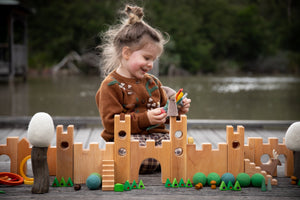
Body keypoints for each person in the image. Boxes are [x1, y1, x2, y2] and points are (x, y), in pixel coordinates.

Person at [95, 5, 191, 173]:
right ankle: (157, 160)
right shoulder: (110, 86)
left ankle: (162, 158)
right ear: (126, 53)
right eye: (146, 57)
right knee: (144, 156)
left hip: (157, 138)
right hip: (126, 140)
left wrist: (178, 110)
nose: (150, 64)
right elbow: (111, 124)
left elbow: (166, 117)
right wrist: (145, 118)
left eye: (153, 59)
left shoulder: (153, 83)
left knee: (187, 148)